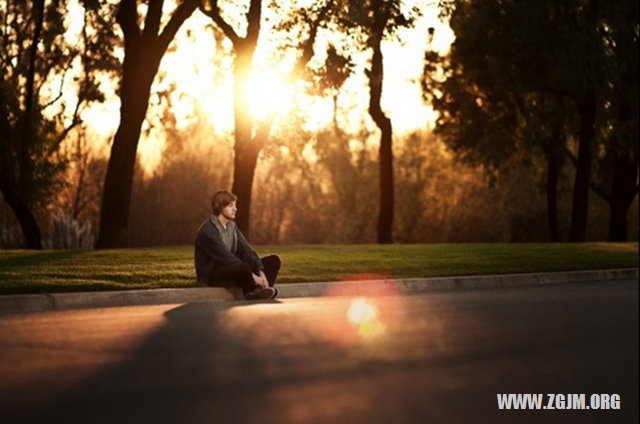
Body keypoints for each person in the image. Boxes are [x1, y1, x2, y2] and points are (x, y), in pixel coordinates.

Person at [194, 190, 281, 300]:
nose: (235, 209)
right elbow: (225, 257)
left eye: (235, 205)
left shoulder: (232, 227)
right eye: (230, 206)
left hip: (233, 270)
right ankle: (251, 293)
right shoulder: (208, 231)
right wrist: (253, 276)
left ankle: (264, 290)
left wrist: (261, 272)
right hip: (213, 275)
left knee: (274, 260)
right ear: (220, 207)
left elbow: (246, 250)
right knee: (243, 266)